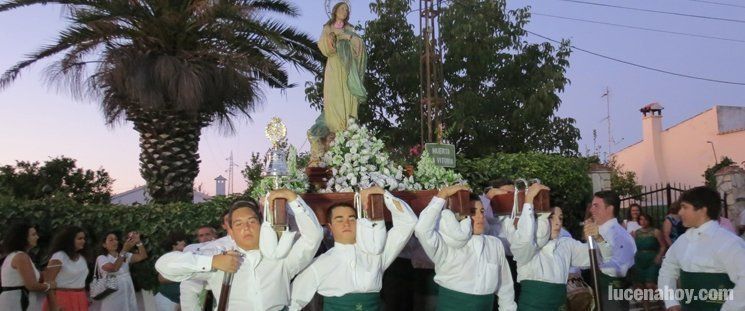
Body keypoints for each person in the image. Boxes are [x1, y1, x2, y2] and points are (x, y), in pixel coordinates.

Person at [157, 189, 323, 310]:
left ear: (262, 226)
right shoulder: (218, 256)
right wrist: (212, 262)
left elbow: (312, 237)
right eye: (238, 223)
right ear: (230, 231)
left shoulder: (282, 258)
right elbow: (164, 266)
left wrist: (293, 199)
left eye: (252, 221)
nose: (246, 228)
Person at [290, 186, 418, 310]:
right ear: (330, 227)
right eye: (339, 220)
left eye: (352, 219)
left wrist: (383, 193)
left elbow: (407, 223)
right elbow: (293, 302)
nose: (346, 224)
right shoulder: (318, 264)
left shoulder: (377, 253)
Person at [510, 183, 612, 311]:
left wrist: (598, 238)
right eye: (551, 217)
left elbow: (603, 257)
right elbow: (524, 241)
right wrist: (529, 200)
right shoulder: (528, 245)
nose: (558, 222)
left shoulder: (566, 244)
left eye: (561, 218)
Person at [414, 185, 516, 310]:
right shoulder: (447, 244)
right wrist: (443, 194)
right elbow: (422, 230)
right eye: (472, 211)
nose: (480, 217)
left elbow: (505, 288)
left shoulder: (495, 244)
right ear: (461, 214)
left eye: (482, 211)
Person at [658, 186, 745, 310]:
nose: (679, 212)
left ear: (703, 210)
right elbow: (667, 270)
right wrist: (671, 302)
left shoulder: (729, 242)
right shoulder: (683, 241)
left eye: (684, 207)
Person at [318, 1, 367, 133]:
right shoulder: (328, 27)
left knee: (347, 94)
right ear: (335, 10)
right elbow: (323, 46)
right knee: (334, 96)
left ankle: (348, 127)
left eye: (346, 9)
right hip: (334, 66)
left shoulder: (350, 29)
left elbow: (359, 45)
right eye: (342, 8)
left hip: (347, 67)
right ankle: (335, 129)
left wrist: (348, 37)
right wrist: (331, 40)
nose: (344, 11)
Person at [588, 190, 636, 311]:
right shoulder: (598, 231)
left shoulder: (620, 236)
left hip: (612, 295)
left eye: (596, 206)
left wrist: (597, 264)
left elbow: (620, 269)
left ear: (609, 209)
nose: (591, 210)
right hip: (597, 291)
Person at [91, 231, 148, 311]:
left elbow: (142, 256)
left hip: (127, 290)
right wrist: (124, 250)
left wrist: (138, 242)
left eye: (116, 239)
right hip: (113, 294)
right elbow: (114, 268)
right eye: (111, 240)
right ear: (104, 245)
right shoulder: (102, 258)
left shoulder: (125, 255)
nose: (115, 242)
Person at [0, 223, 52, 311]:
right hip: (17, 302)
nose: (37, 237)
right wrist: (49, 286)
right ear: (23, 238)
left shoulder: (16, 255)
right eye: (33, 235)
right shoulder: (21, 256)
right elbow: (31, 285)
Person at [43, 226, 89, 311]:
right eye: (80, 238)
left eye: (84, 238)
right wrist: (54, 306)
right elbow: (48, 282)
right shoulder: (59, 256)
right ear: (70, 240)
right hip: (62, 298)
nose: (83, 241)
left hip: (81, 298)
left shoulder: (82, 258)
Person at [630, 213, 666, 310]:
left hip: (652, 259)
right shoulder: (636, 233)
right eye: (641, 219)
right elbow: (631, 247)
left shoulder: (656, 232)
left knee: (650, 285)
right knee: (641, 286)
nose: (643, 221)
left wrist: (659, 256)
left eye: (645, 219)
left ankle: (662, 302)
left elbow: (663, 245)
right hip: (639, 259)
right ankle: (647, 308)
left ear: (649, 220)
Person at [154, 232, 187, 311]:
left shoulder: (184, 257)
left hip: (177, 301)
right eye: (181, 240)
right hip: (167, 300)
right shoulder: (169, 258)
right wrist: (185, 276)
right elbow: (161, 279)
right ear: (174, 245)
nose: (184, 242)